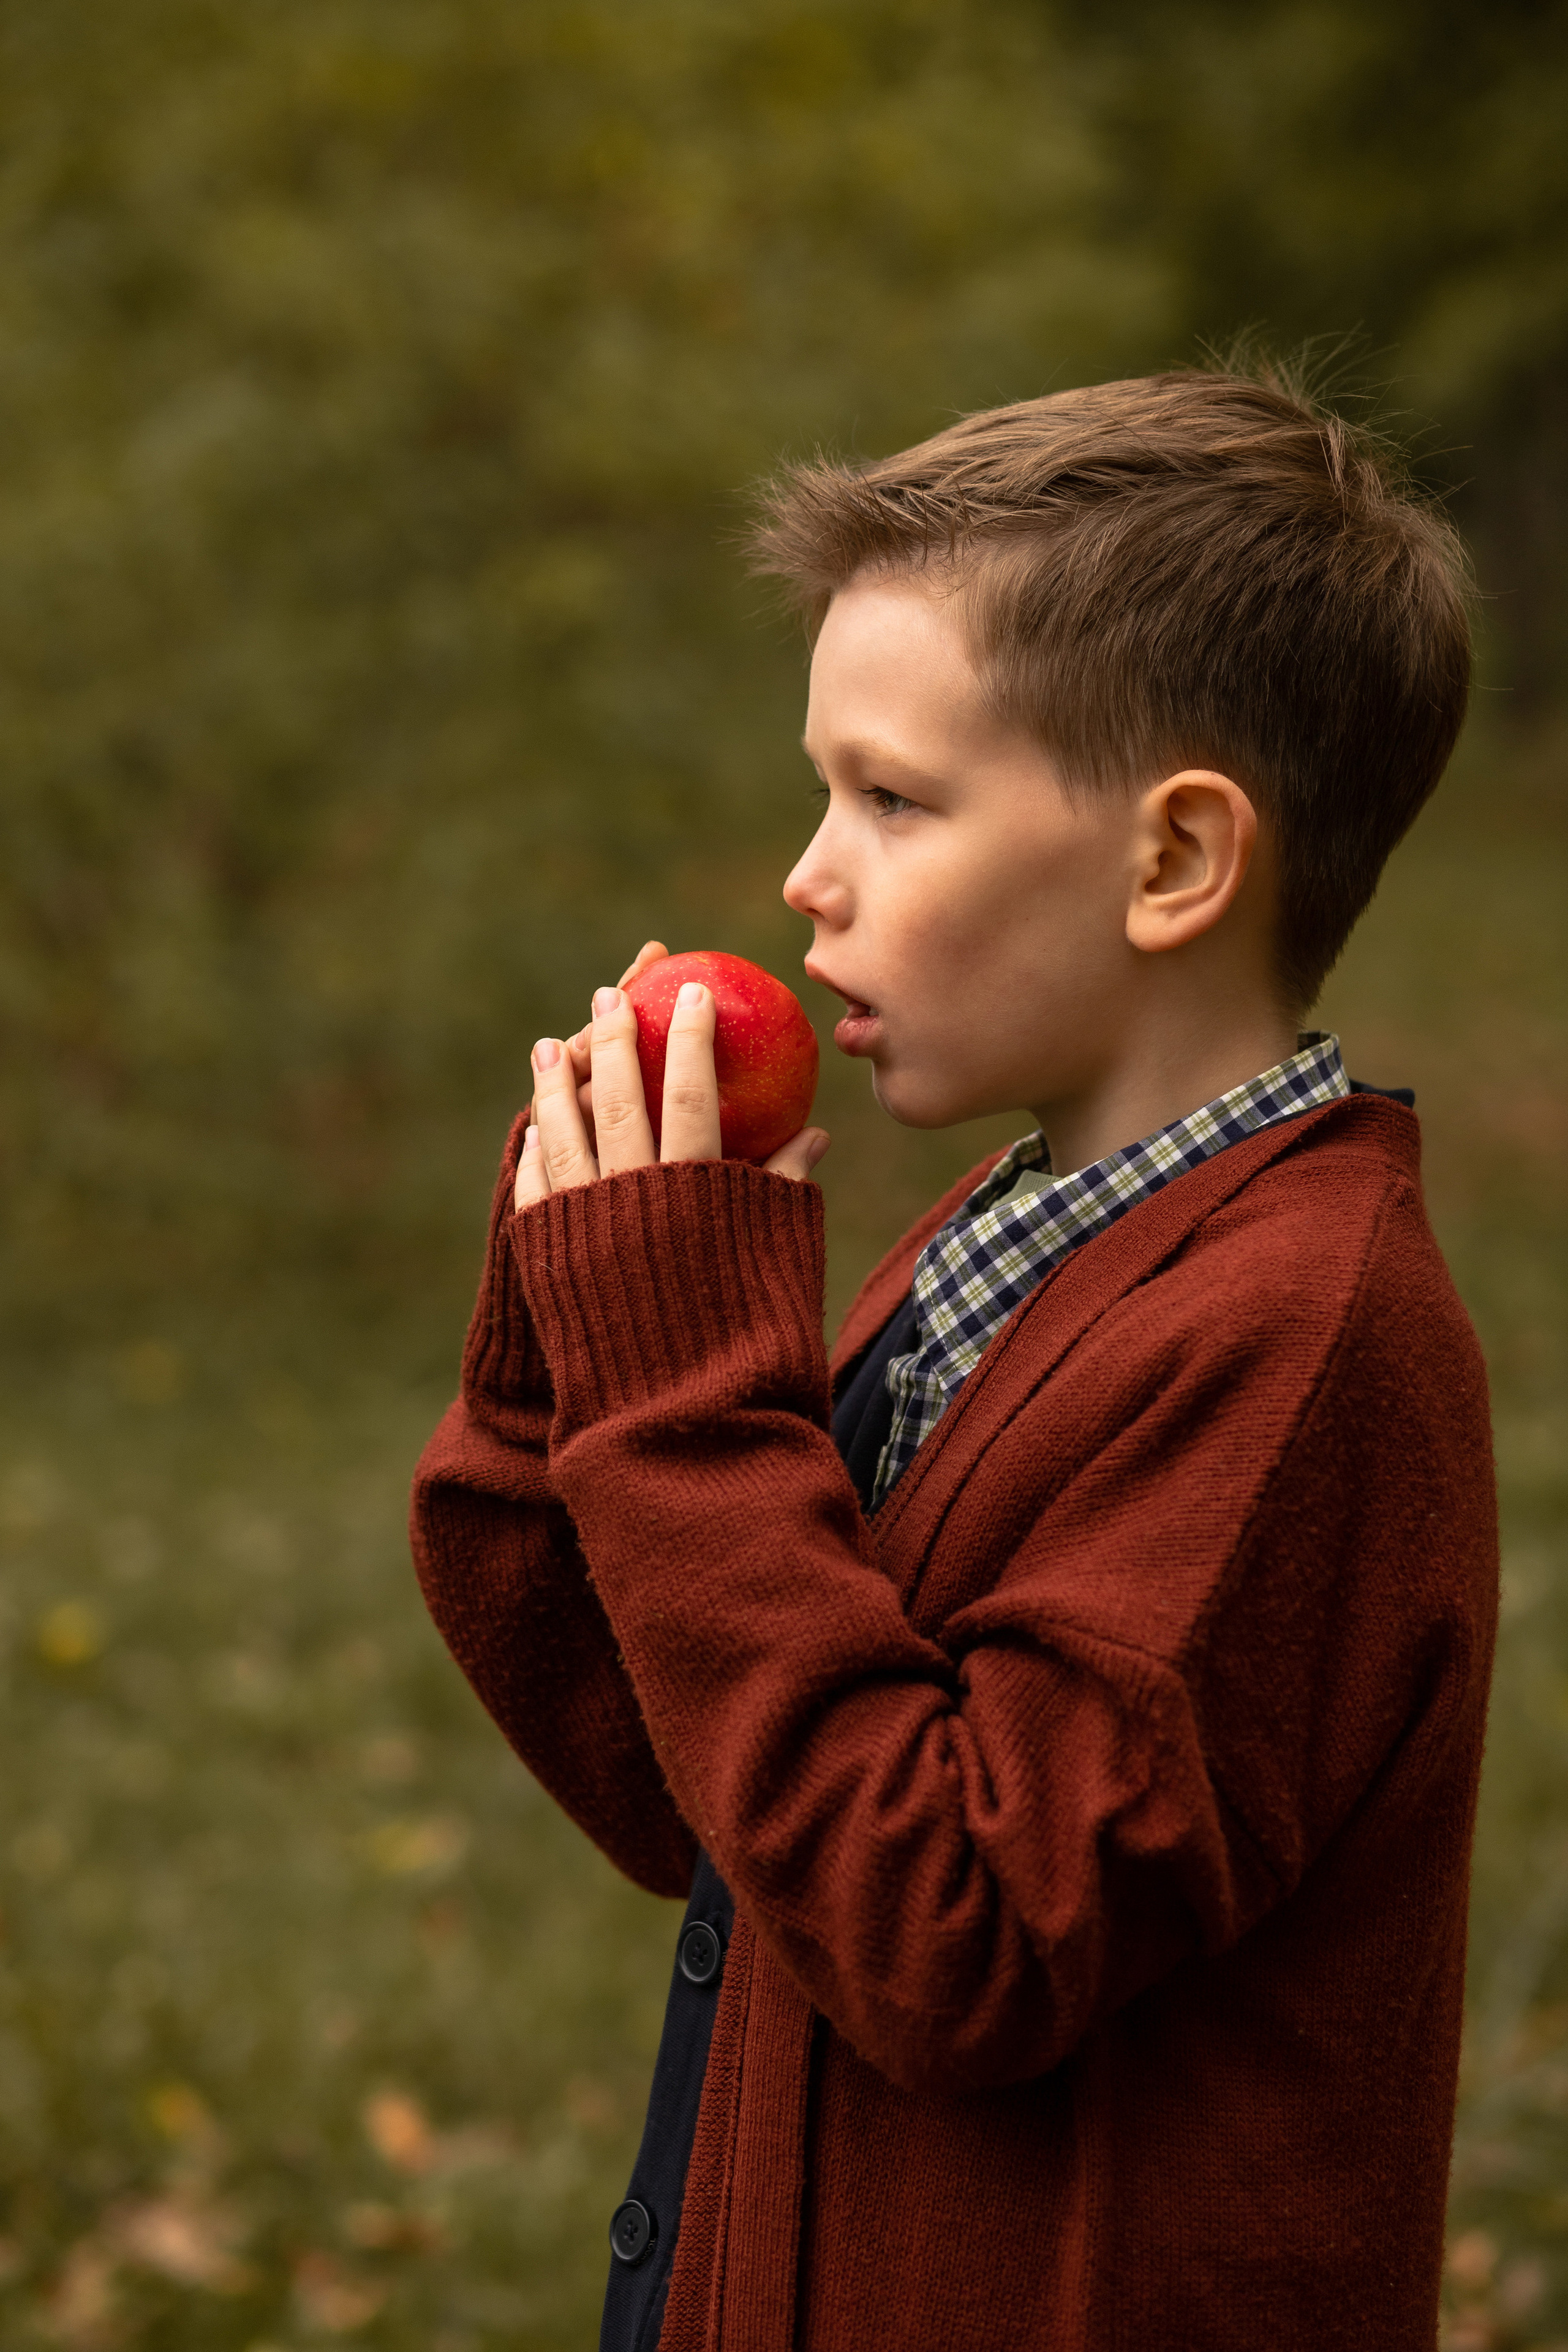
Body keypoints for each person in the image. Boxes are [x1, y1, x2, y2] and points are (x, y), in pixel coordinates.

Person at [410, 364, 1497, 2351]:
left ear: (1177, 863)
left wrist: (680, 1394)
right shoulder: (1014, 1242)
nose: (813, 872)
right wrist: (571, 1341)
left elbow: (953, 1936)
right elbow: (721, 1800)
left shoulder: (1298, 1336)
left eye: (896, 799)